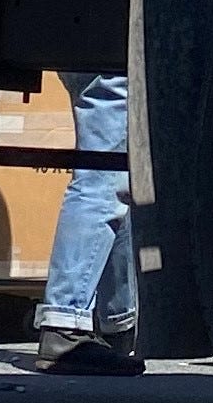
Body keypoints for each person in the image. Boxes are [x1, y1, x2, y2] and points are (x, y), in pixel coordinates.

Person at [35, 71, 141, 375]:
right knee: (102, 179)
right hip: (115, 40)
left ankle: (118, 323)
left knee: (117, 181)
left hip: (89, 36)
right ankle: (65, 325)